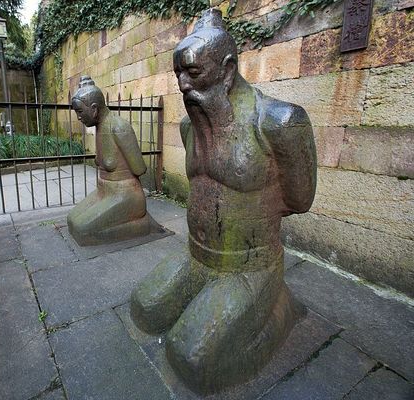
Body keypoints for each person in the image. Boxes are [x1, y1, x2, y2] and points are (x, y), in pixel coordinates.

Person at [130, 9, 317, 394]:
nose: (182, 85)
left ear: (227, 69)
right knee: (145, 309)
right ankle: (213, 301)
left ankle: (280, 305)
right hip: (197, 255)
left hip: (249, 267)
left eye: (193, 73)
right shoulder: (189, 126)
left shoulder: (278, 123)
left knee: (191, 354)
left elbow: (300, 199)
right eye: (178, 74)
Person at [67, 76, 150, 246]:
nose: (79, 118)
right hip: (104, 191)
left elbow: (139, 169)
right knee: (71, 221)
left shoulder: (118, 127)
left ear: (94, 109)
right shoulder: (99, 127)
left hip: (126, 195)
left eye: (80, 112)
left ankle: (142, 224)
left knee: (82, 229)